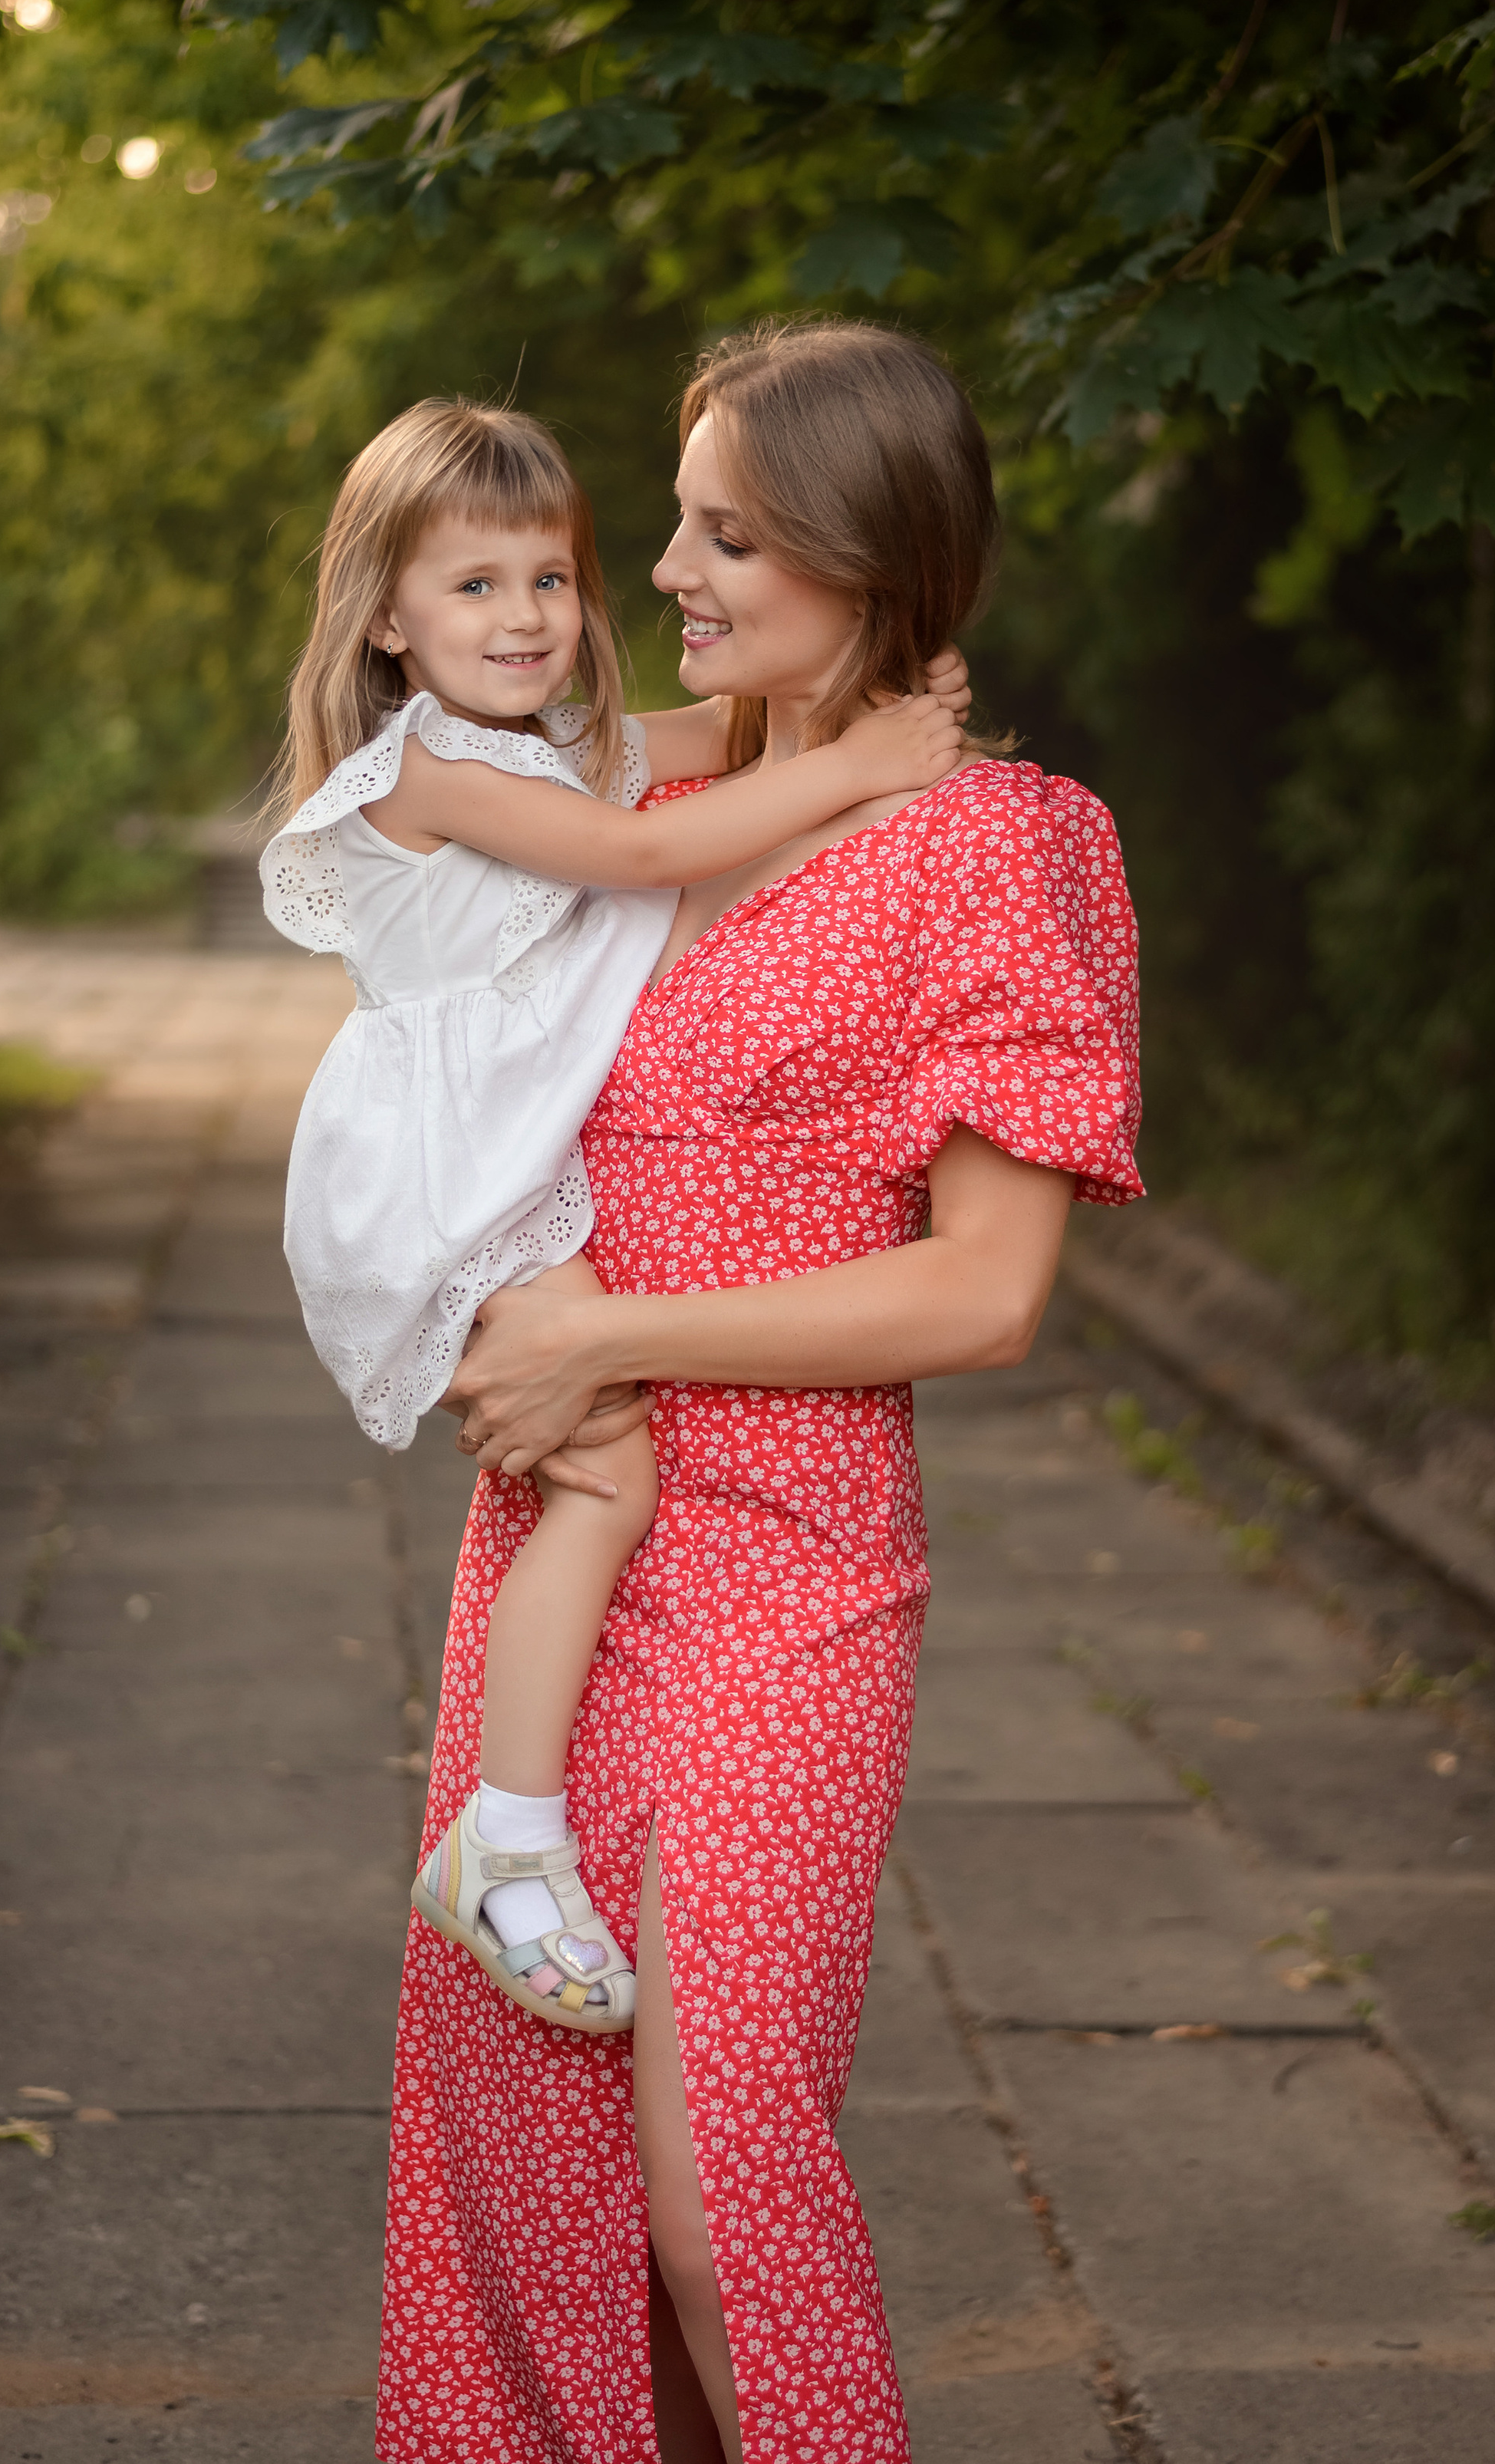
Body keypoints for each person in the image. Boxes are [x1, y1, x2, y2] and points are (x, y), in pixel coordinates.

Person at [376, 321, 1144, 2464]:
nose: (678, 573)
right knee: (540, 2198)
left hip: (789, 1565)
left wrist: (606, 1336)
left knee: (724, 2194)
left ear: (870, 555)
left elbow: (989, 1291)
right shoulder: (644, 811)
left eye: (731, 534)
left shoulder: (1002, 842)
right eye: (684, 522)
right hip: (556, 1538)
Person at [262, 397, 967, 2034]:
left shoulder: (519, 744)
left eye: (548, 581)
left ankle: (510, 1829)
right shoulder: (439, 767)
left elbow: (707, 748)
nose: (526, 619)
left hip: (485, 1157)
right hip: (453, 1175)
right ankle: (506, 1843)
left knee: (594, 1473)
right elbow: (645, 851)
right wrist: (860, 764)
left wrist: (875, 704)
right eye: (473, 588)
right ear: (383, 617)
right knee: (607, 1473)